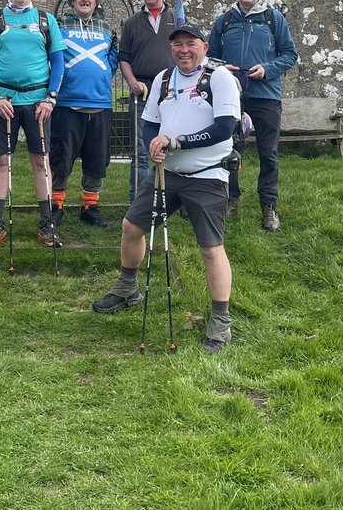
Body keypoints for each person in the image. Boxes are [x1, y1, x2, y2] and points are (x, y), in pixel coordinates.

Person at [93, 22, 240, 353]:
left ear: (203, 47)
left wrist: (176, 141)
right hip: (165, 173)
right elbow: (150, 123)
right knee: (132, 226)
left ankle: (221, 320)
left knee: (210, 247)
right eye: (177, 45)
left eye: (191, 43)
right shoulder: (162, 79)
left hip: (207, 174)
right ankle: (128, 287)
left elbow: (224, 128)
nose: (184, 50)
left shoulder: (220, 78)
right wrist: (155, 146)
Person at [0, 0, 66, 248]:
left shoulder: (46, 20)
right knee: (2, 161)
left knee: (41, 161)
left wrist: (51, 98)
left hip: (38, 104)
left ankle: (47, 223)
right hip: (5, 103)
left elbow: (58, 60)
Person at [209, 0, 299, 232]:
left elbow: (289, 54)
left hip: (267, 96)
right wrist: (222, 68)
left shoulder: (273, 19)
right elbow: (211, 57)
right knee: (230, 149)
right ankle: (231, 198)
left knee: (268, 153)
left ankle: (269, 206)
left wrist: (267, 70)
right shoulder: (224, 20)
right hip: (232, 96)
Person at [50, 0, 118, 229]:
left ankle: (90, 205)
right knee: (61, 157)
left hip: (100, 103)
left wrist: (98, 79)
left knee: (97, 158)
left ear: (96, 0)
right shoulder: (57, 26)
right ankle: (56, 205)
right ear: (73, 0)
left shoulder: (108, 29)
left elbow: (112, 58)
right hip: (66, 103)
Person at [118, 0, 176, 202]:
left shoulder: (178, 18)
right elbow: (124, 57)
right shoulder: (132, 23)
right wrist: (132, 81)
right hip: (142, 94)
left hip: (173, 92)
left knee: (174, 147)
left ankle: (174, 199)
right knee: (141, 151)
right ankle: (139, 202)